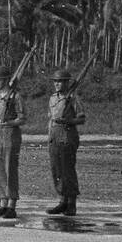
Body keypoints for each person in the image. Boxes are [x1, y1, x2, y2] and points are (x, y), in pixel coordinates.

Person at [45, 68, 86, 215]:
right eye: (55, 81)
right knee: (56, 169)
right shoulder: (52, 98)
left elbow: (82, 118)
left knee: (67, 170)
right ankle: (62, 200)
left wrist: (69, 121)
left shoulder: (74, 98)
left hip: (67, 135)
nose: (57, 84)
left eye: (60, 82)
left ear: (67, 83)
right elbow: (51, 118)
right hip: (54, 135)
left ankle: (71, 203)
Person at [0, 65, 24, 218]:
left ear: (7, 80)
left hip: (10, 136)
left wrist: (10, 123)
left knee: (10, 171)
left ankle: (12, 205)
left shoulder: (16, 96)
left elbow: (22, 118)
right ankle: (2, 202)